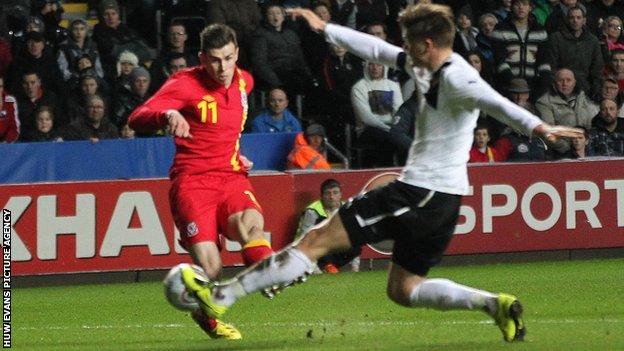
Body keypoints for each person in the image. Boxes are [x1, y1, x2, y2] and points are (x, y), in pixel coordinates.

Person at [179, 3, 582, 343]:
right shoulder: (428, 63)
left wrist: (539, 127)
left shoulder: (459, 76)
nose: (403, 50)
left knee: (317, 239)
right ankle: (495, 305)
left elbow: (493, 102)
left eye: (409, 42)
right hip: (442, 203)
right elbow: (378, 49)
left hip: (419, 193)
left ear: (428, 44)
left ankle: (222, 296)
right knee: (403, 290)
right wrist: (327, 29)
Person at [128, 24, 274, 340]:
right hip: (192, 184)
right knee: (211, 269)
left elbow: (225, 131)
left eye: (228, 58)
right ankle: (205, 316)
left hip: (231, 178)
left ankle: (266, 276)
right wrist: (167, 115)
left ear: (237, 54)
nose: (222, 68)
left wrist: (236, 154)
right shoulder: (184, 83)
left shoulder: (244, 82)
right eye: (214, 60)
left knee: (253, 229)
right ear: (201, 58)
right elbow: (137, 116)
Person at [296, 178, 361, 273]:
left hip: (334, 248)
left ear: (340, 195)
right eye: (328, 193)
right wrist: (315, 271)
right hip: (314, 250)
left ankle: (350, 269)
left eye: (335, 193)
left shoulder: (347, 209)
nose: (331, 197)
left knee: (356, 239)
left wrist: (355, 269)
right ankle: (323, 267)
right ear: (322, 196)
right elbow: (305, 239)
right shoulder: (313, 211)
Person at [548, 6, 604, 98]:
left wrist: (595, 90)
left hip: (585, 90)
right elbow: (552, 65)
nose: (575, 20)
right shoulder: (556, 38)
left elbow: (597, 68)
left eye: (578, 18)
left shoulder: (592, 40)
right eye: (572, 17)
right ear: (567, 19)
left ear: (584, 20)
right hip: (560, 89)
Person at [0, 76, 19, 143]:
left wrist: (5, 142)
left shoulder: (10, 101)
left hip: (6, 144)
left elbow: (14, 128)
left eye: (0, 86)